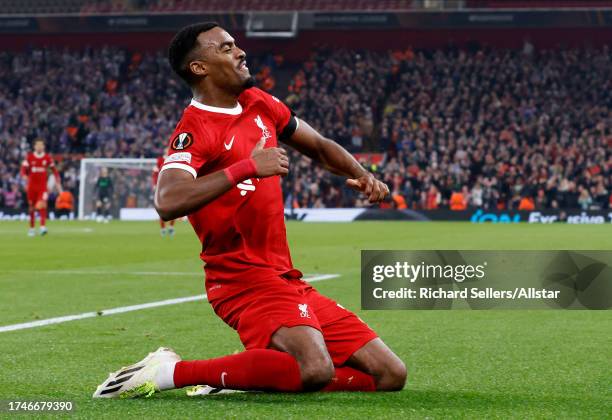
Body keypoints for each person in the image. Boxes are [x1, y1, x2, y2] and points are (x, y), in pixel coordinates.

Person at [93, 22, 405, 399]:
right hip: (242, 281)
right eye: (225, 48)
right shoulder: (196, 128)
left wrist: (361, 174)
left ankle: (247, 374)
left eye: (235, 44)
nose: (239, 52)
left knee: (390, 375)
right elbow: (168, 199)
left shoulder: (259, 102)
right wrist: (247, 167)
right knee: (314, 369)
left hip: (285, 278)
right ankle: (169, 372)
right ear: (199, 67)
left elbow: (319, 145)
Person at [20, 139, 62, 236]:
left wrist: (57, 178)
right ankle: (32, 228)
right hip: (31, 187)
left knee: (42, 205)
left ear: (43, 147)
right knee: (31, 208)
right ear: (34, 147)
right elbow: (23, 169)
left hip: (42, 187)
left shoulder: (47, 158)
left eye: (41, 145)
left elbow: (54, 170)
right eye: (37, 145)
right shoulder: (29, 157)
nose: (39, 147)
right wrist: (24, 175)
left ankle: (43, 227)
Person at [152, 154, 175, 236]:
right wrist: (155, 185)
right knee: (162, 209)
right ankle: (163, 228)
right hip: (162, 188)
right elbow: (155, 173)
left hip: (172, 187)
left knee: (174, 209)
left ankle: (171, 227)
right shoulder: (160, 160)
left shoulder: (175, 158)